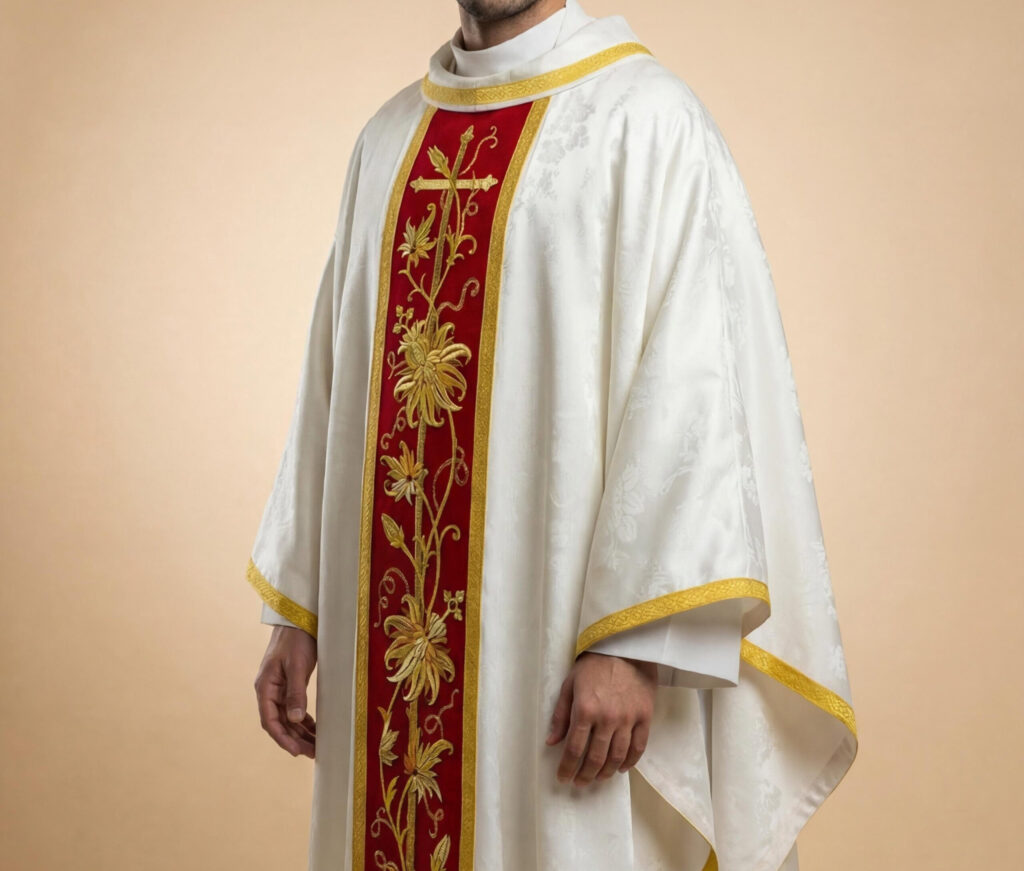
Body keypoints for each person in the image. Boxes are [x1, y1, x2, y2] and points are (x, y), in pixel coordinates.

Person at [245, 1, 858, 868]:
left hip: (567, 654)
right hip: (387, 659)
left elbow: (695, 379)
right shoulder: (388, 140)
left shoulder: (645, 120)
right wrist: (298, 610)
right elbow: (334, 375)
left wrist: (634, 642)